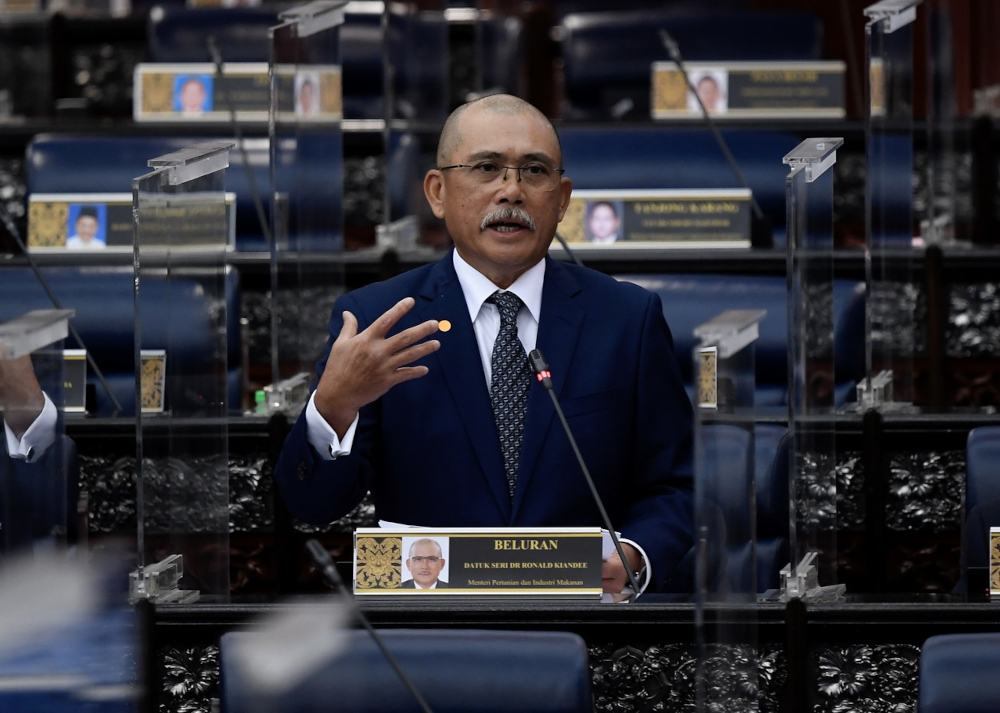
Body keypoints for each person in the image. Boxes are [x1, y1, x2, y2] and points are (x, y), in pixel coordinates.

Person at [275, 94, 694, 594]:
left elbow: (675, 485)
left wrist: (637, 554)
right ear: (437, 191)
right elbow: (311, 505)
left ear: (561, 199)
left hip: (587, 621)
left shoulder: (627, 319)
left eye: (533, 171)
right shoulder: (377, 321)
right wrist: (334, 405)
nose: (511, 191)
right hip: (431, 632)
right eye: (486, 168)